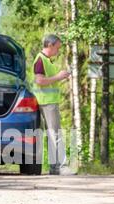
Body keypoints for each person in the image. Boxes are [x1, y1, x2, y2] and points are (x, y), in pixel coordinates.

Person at [33, 34, 74, 175]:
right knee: (55, 134)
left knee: (53, 134)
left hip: (48, 101)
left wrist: (59, 77)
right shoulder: (40, 60)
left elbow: (46, 81)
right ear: (50, 45)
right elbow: (39, 81)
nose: (58, 51)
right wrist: (58, 76)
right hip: (47, 102)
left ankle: (54, 167)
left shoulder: (46, 60)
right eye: (57, 47)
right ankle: (61, 167)